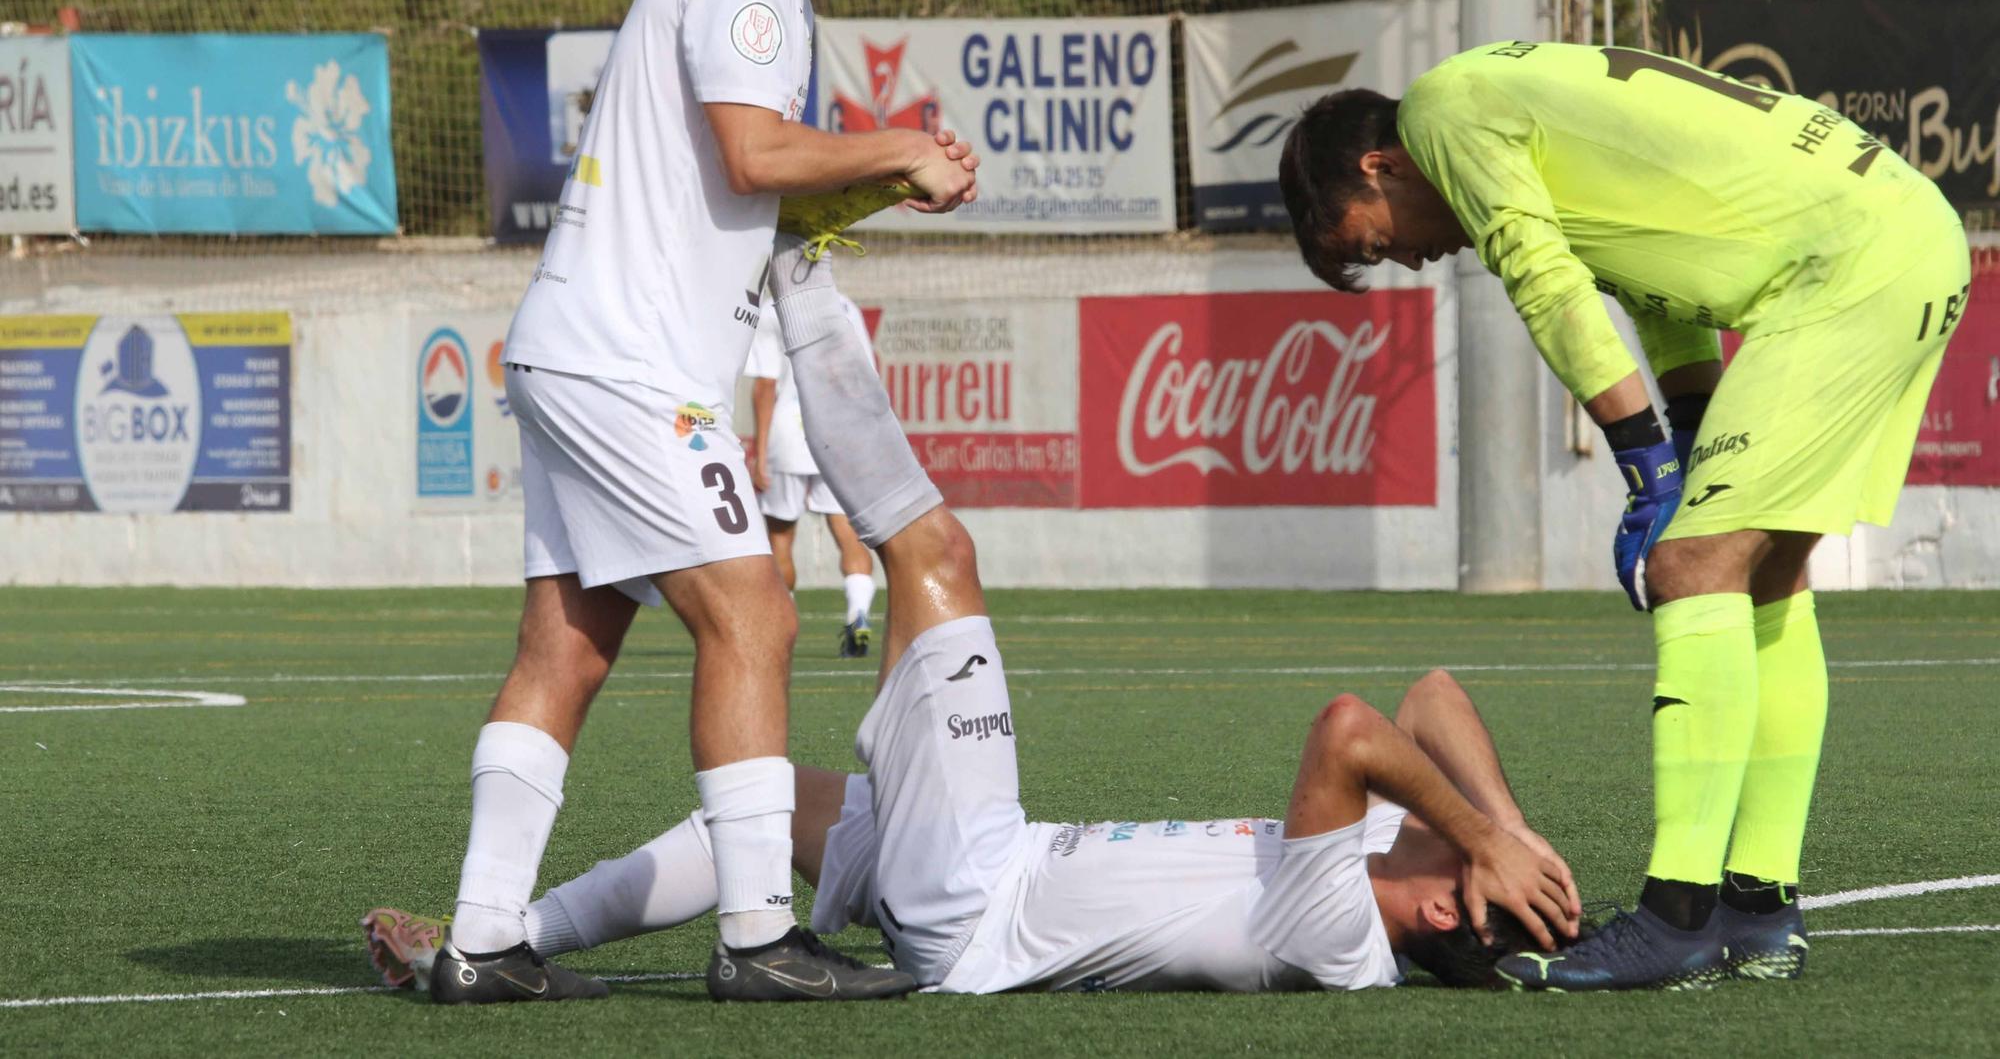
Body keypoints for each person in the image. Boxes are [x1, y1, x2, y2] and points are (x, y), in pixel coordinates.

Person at [368, 236, 1582, 998]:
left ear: (1437, 908)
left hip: (976, 897)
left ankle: (798, 264)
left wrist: (1474, 838)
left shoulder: (1342, 932)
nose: (1457, 844)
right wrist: (1505, 832)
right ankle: (493, 936)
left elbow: (1352, 727)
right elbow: (1434, 695)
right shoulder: (1399, 860)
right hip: (983, 870)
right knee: (777, 805)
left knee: (933, 552)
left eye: (1460, 867)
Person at [431, 0, 979, 1005]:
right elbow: (750, 151)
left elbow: (769, 200)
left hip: (582, 347)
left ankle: (481, 938)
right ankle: (755, 937)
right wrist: (896, 139)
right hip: (627, 363)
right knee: (757, 611)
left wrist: (894, 177)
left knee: (565, 648)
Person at [1276, 40, 1972, 990]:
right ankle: (1759, 906)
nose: (1408, 257)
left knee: (1691, 568)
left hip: (1845, 269)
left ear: (1380, 164)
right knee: (1765, 572)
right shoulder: (1515, 113)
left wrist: (1648, 469)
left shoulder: (1442, 114)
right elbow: (1659, 285)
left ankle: (1676, 915)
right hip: (1897, 240)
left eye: (1375, 239)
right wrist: (1685, 436)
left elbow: (1545, 281)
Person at [745, 294, 880, 658]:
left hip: (789, 434)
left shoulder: (772, 311)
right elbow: (866, 373)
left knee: (780, 536)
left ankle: (779, 627)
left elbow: (765, 386)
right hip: (838, 432)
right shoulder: (845, 305)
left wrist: (760, 453)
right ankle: (859, 612)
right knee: (848, 533)